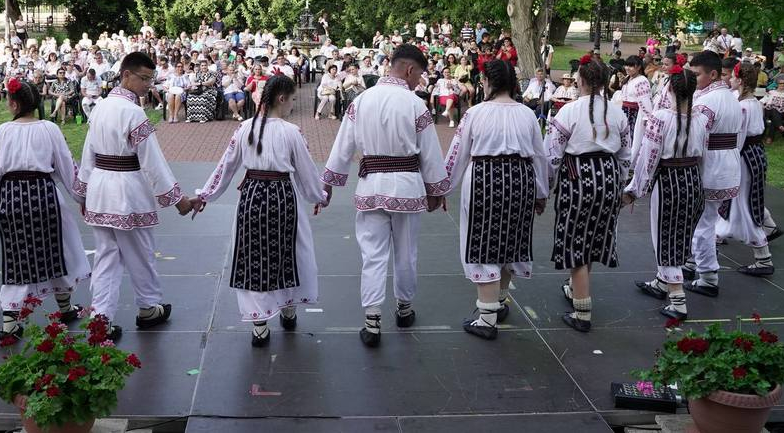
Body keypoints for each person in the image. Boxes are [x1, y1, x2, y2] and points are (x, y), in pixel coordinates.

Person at [320, 44, 449, 347]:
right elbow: (430, 153)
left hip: (371, 186)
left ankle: (372, 320)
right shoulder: (415, 105)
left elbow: (342, 147)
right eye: (419, 74)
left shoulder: (361, 101)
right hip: (407, 187)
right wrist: (437, 190)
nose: (420, 80)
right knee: (406, 251)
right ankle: (404, 310)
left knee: (373, 254)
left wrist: (327, 184)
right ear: (408, 69)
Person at [192, 75, 327, 346]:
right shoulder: (291, 132)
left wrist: (205, 195)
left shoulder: (244, 128)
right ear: (281, 98)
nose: (292, 105)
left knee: (254, 254)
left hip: (252, 197)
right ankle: (288, 307)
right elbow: (306, 172)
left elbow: (226, 166)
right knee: (289, 251)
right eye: (292, 100)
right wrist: (318, 196)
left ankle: (259, 323)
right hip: (282, 197)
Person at [75, 52, 193, 342]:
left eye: (151, 80)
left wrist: (83, 192)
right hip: (126, 191)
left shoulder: (101, 107)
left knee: (106, 257)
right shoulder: (133, 112)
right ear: (125, 75)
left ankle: (100, 320)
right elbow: (153, 162)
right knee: (139, 252)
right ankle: (147, 307)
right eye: (143, 79)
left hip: (101, 190)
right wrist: (178, 201)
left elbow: (88, 154)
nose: (146, 85)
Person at [0, 78, 91, 341]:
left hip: (12, 200)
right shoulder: (49, 129)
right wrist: (82, 198)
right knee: (56, 252)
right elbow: (67, 168)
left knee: (16, 259)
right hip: (44, 197)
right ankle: (65, 307)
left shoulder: (2, 131)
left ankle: (10, 322)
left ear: (13, 104)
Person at [443, 59, 548, 339]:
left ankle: (487, 318)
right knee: (510, 238)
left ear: (486, 82)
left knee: (482, 242)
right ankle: (499, 301)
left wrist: (443, 188)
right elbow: (539, 156)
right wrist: (541, 191)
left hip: (485, 178)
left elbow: (458, 153)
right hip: (521, 178)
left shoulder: (476, 113)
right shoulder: (526, 114)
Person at [544, 56, 631, 333]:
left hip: (578, 176)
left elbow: (552, 155)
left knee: (576, 240)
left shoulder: (568, 111)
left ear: (580, 80)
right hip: (606, 174)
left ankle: (582, 311)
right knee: (593, 236)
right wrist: (621, 185)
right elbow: (625, 155)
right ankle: (575, 289)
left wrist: (545, 187)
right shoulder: (617, 113)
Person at [622, 64, 705, 321]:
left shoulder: (661, 118)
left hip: (670, 181)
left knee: (666, 238)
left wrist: (634, 189)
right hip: (692, 182)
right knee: (680, 236)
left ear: (668, 88)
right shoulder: (700, 118)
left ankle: (678, 301)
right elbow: (704, 157)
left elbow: (649, 157)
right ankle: (661, 282)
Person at [683, 51, 742, 299]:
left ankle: (708, 276)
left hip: (711, 167)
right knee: (705, 219)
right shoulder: (728, 97)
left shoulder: (708, 101)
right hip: (727, 164)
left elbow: (695, 136)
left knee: (703, 223)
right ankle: (694, 262)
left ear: (713, 74)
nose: (693, 79)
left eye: (697, 75)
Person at [717, 62, 777, 277]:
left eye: (732, 77)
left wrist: (728, 161)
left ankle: (763, 258)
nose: (730, 80)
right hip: (754, 156)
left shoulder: (743, 107)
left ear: (740, 80)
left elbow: (739, 140)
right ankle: (717, 234)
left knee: (745, 206)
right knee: (740, 203)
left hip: (745, 159)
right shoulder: (752, 102)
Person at [761, 75, 784, 142]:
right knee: (773, 109)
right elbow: (762, 101)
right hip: (769, 111)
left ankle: (770, 138)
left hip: (781, 113)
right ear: (777, 84)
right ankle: (780, 126)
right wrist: (761, 106)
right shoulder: (771, 92)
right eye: (780, 83)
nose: (782, 85)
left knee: (774, 118)